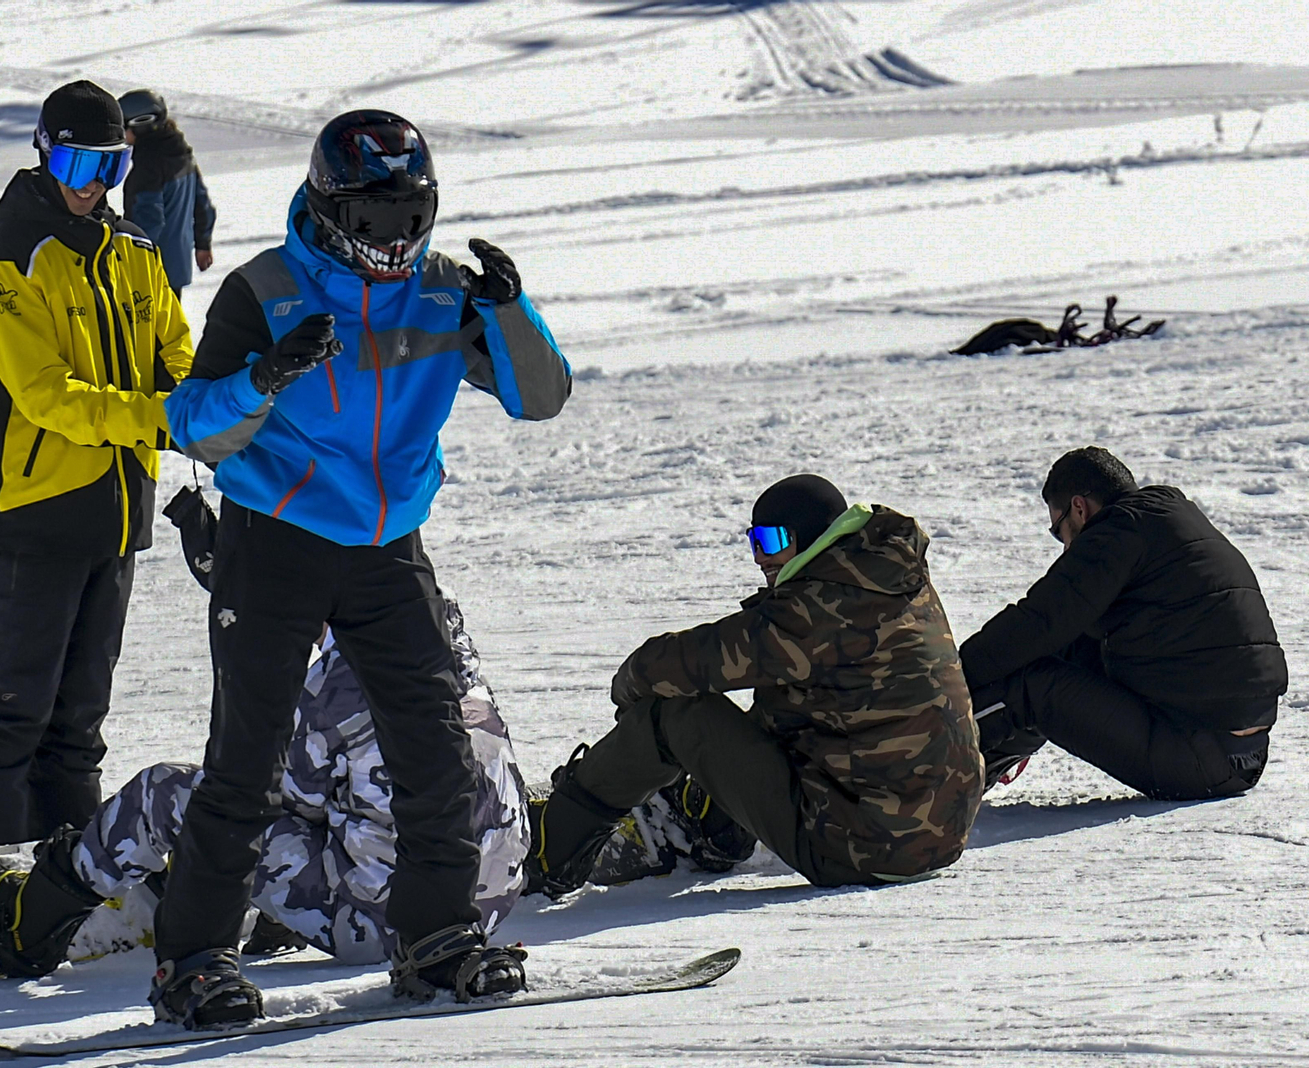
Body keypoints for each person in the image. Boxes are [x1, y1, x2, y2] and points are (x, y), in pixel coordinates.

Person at [152, 109, 570, 1028]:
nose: (397, 241)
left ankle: (436, 938)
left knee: (435, 747)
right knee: (247, 759)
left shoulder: (447, 292)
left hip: (387, 550)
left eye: (413, 216)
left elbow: (540, 399)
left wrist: (509, 307)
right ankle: (193, 961)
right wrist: (263, 379)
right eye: (377, 223)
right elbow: (187, 427)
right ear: (333, 209)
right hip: (276, 543)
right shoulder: (263, 290)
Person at [0, 592, 530, 977]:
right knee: (359, 793)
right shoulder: (451, 663)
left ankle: (30, 916)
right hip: (484, 902)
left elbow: (252, 794)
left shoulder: (337, 689)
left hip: (386, 926)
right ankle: (256, 901)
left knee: (172, 794)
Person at [527, 474, 983, 899]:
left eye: (771, 540)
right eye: (753, 541)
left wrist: (630, 690)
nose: (761, 557)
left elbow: (690, 661)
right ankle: (711, 823)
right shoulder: (887, 580)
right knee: (796, 703)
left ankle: (552, 848)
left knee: (672, 715)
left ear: (810, 536)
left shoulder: (818, 608)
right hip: (933, 833)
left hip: (860, 849)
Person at [0, 81, 192, 847]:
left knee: (81, 716)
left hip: (117, 514)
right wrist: (160, 419)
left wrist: (211, 402)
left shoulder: (137, 256)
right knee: (15, 707)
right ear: (45, 153)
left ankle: (69, 876)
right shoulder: (8, 264)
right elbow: (48, 395)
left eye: (109, 166)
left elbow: (178, 355)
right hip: (35, 512)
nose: (90, 183)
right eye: (75, 161)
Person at [961, 446, 1286, 798]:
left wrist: (950, 680)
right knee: (1073, 647)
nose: (1064, 548)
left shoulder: (1116, 532)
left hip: (1196, 756)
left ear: (1079, 508)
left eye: (1059, 532)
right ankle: (980, 762)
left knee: (1033, 685)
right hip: (1244, 754)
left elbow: (1039, 621)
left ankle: (923, 764)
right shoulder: (1169, 521)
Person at [117, 89, 215, 301]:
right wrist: (203, 243)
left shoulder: (149, 166)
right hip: (175, 266)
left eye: (121, 127)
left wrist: (131, 262)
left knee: (150, 332)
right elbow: (203, 204)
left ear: (140, 125)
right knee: (170, 329)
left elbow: (149, 220)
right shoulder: (180, 153)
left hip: (151, 273)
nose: (119, 135)